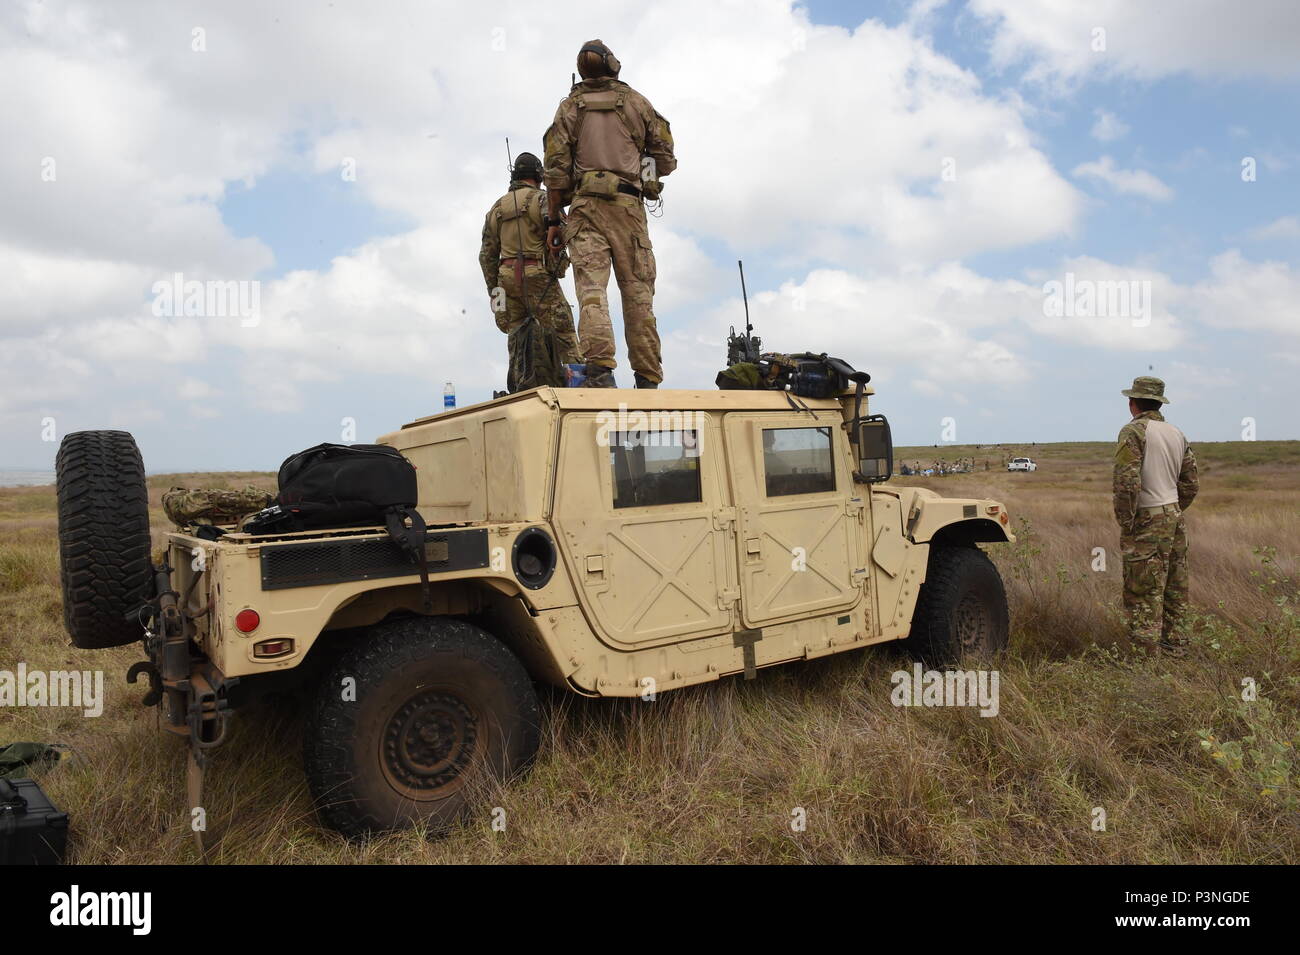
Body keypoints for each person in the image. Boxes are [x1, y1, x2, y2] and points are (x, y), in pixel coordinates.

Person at [543, 39, 676, 388]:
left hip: (586, 210)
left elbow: (556, 172)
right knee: (637, 294)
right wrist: (645, 178)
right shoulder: (636, 103)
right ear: (613, 65)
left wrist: (555, 221)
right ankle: (647, 377)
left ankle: (600, 371)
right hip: (628, 209)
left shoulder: (570, 108)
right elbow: (665, 157)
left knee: (591, 291)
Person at [478, 151, 580, 392]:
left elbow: (486, 256)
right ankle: (578, 386)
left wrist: (496, 291)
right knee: (562, 331)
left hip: (506, 279)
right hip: (538, 275)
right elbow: (561, 236)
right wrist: (557, 269)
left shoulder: (496, 209)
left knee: (518, 340)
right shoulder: (543, 200)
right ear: (539, 175)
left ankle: (520, 391)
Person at [1113, 376, 1199, 654]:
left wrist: (1128, 523)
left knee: (1142, 591)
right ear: (1159, 403)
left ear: (1132, 403)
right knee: (1175, 589)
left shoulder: (1133, 432)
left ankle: (1144, 659)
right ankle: (1176, 650)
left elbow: (1127, 482)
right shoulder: (1176, 433)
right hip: (1174, 516)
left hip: (1147, 518)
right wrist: (1172, 509)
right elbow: (1191, 484)